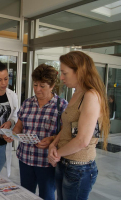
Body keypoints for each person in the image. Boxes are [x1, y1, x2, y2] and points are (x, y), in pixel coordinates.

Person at [48, 51, 110, 200]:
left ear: (79, 71)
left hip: (78, 168)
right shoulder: (76, 93)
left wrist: (57, 153)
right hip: (65, 163)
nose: (61, 78)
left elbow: (82, 140)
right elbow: (68, 127)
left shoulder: (91, 96)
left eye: (65, 73)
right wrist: (54, 145)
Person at [9, 64, 68, 200]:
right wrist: (12, 135)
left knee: (47, 196)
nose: (37, 89)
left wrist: (52, 139)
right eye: (35, 85)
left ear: (52, 85)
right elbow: (19, 126)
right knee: (25, 194)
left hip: (47, 162)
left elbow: (66, 133)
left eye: (42, 86)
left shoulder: (61, 106)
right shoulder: (27, 103)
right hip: (25, 159)